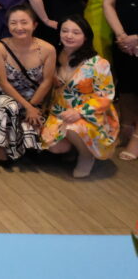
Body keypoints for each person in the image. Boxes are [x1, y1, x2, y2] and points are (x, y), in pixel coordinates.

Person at [40, 15, 120, 178]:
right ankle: (75, 148)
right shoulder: (52, 55)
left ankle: (86, 155)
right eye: (65, 31)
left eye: (76, 32)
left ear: (86, 36)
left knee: (73, 126)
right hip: (59, 112)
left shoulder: (98, 63)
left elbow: (106, 96)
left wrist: (79, 111)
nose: (69, 35)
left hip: (91, 115)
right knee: (56, 147)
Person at [0, 5, 55, 163]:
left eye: (24, 22)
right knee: (8, 106)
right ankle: (1, 148)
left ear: (34, 25)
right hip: (4, 92)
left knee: (33, 123)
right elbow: (3, 82)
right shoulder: (0, 48)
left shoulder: (48, 49)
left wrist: (34, 105)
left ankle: (23, 141)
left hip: (33, 94)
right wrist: (28, 107)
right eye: (13, 23)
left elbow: (47, 81)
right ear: (8, 25)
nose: (19, 27)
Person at [103, 0, 138, 160]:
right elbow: (108, 3)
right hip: (123, 40)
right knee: (126, 87)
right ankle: (126, 126)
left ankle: (137, 138)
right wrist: (122, 36)